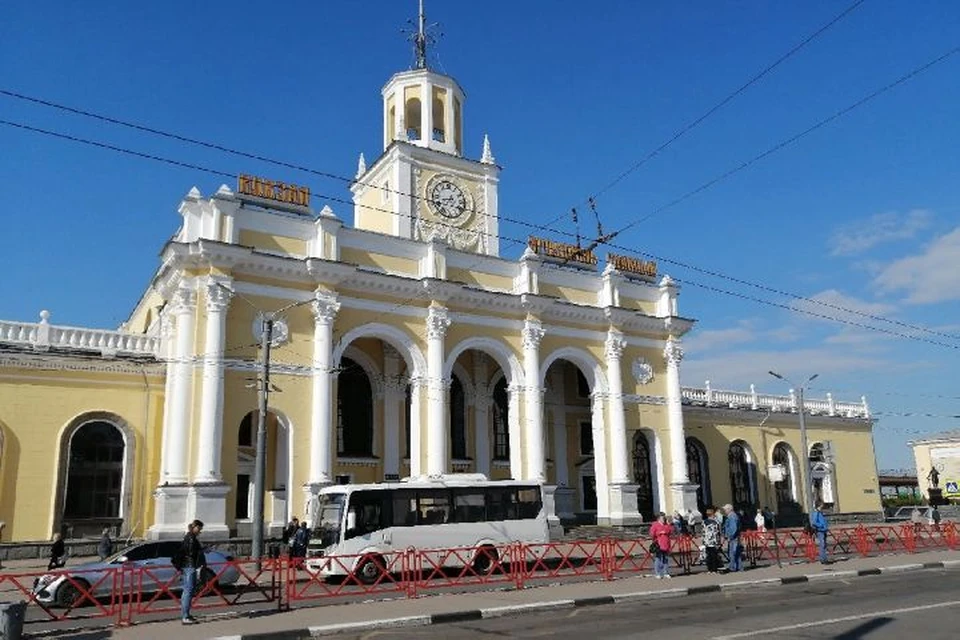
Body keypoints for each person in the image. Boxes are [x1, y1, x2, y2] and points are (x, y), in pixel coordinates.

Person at [177, 519, 206, 625]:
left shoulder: (189, 537)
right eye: (199, 529)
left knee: (187, 591)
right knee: (189, 591)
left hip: (187, 566)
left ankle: (186, 614)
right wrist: (201, 550)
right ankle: (185, 616)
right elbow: (190, 552)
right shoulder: (191, 538)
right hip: (190, 566)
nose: (200, 531)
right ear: (195, 527)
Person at [649, 512, 672, 579]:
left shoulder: (666, 525)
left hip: (666, 543)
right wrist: (659, 533)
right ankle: (658, 573)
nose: (664, 519)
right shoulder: (655, 525)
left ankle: (666, 572)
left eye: (664, 517)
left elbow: (670, 531)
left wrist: (669, 525)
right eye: (662, 517)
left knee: (666, 558)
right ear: (659, 518)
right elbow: (651, 534)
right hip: (658, 544)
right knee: (658, 558)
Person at [723, 504, 742, 573]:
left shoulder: (732, 516)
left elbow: (733, 528)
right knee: (736, 552)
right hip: (735, 537)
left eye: (725, 509)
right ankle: (738, 567)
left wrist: (730, 536)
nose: (724, 511)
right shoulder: (732, 516)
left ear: (729, 509)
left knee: (733, 553)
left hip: (733, 537)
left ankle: (733, 567)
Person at [702, 507, 721, 574]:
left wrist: (703, 541)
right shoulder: (716, 522)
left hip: (707, 541)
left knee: (708, 556)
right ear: (712, 514)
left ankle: (709, 569)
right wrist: (719, 542)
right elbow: (718, 532)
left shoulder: (704, 522)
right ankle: (714, 569)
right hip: (714, 541)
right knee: (714, 556)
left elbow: (703, 532)